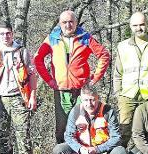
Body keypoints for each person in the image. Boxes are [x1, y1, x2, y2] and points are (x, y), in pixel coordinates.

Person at [34, 10, 110, 144]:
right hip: (61, 89)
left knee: (83, 123)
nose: (68, 25)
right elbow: (38, 58)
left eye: (71, 22)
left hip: (82, 90)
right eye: (64, 22)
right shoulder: (52, 38)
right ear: (60, 23)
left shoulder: (85, 37)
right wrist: (49, 80)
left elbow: (103, 55)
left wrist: (95, 78)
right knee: (61, 126)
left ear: (76, 23)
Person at [113, 12, 148, 147]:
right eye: (135, 25)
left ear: (147, 25)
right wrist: (118, 93)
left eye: (142, 24)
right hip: (127, 95)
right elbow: (117, 72)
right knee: (124, 130)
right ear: (130, 27)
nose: (139, 28)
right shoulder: (122, 46)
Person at [52, 83, 126, 154]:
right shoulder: (76, 111)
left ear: (98, 98)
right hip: (81, 151)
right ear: (81, 99)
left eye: (92, 100)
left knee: (120, 153)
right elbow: (68, 136)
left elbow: (116, 137)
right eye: (86, 100)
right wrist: (80, 148)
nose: (89, 104)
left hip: (102, 152)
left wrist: (97, 149)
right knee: (58, 151)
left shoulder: (108, 111)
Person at [0, 21, 37, 154]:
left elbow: (32, 75)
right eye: (2, 34)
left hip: (18, 98)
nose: (5, 36)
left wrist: (32, 96)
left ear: (12, 34)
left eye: (8, 33)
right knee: (3, 136)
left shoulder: (21, 51)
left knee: (23, 134)